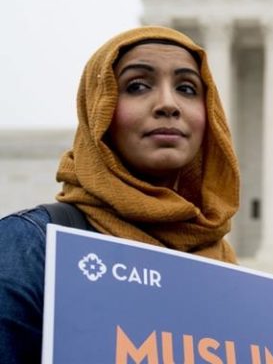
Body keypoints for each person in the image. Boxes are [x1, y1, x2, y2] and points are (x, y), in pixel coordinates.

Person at [0, 26, 240, 363]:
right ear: (99, 108)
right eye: (137, 86)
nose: (168, 104)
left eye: (187, 88)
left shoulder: (224, 264)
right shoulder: (28, 248)